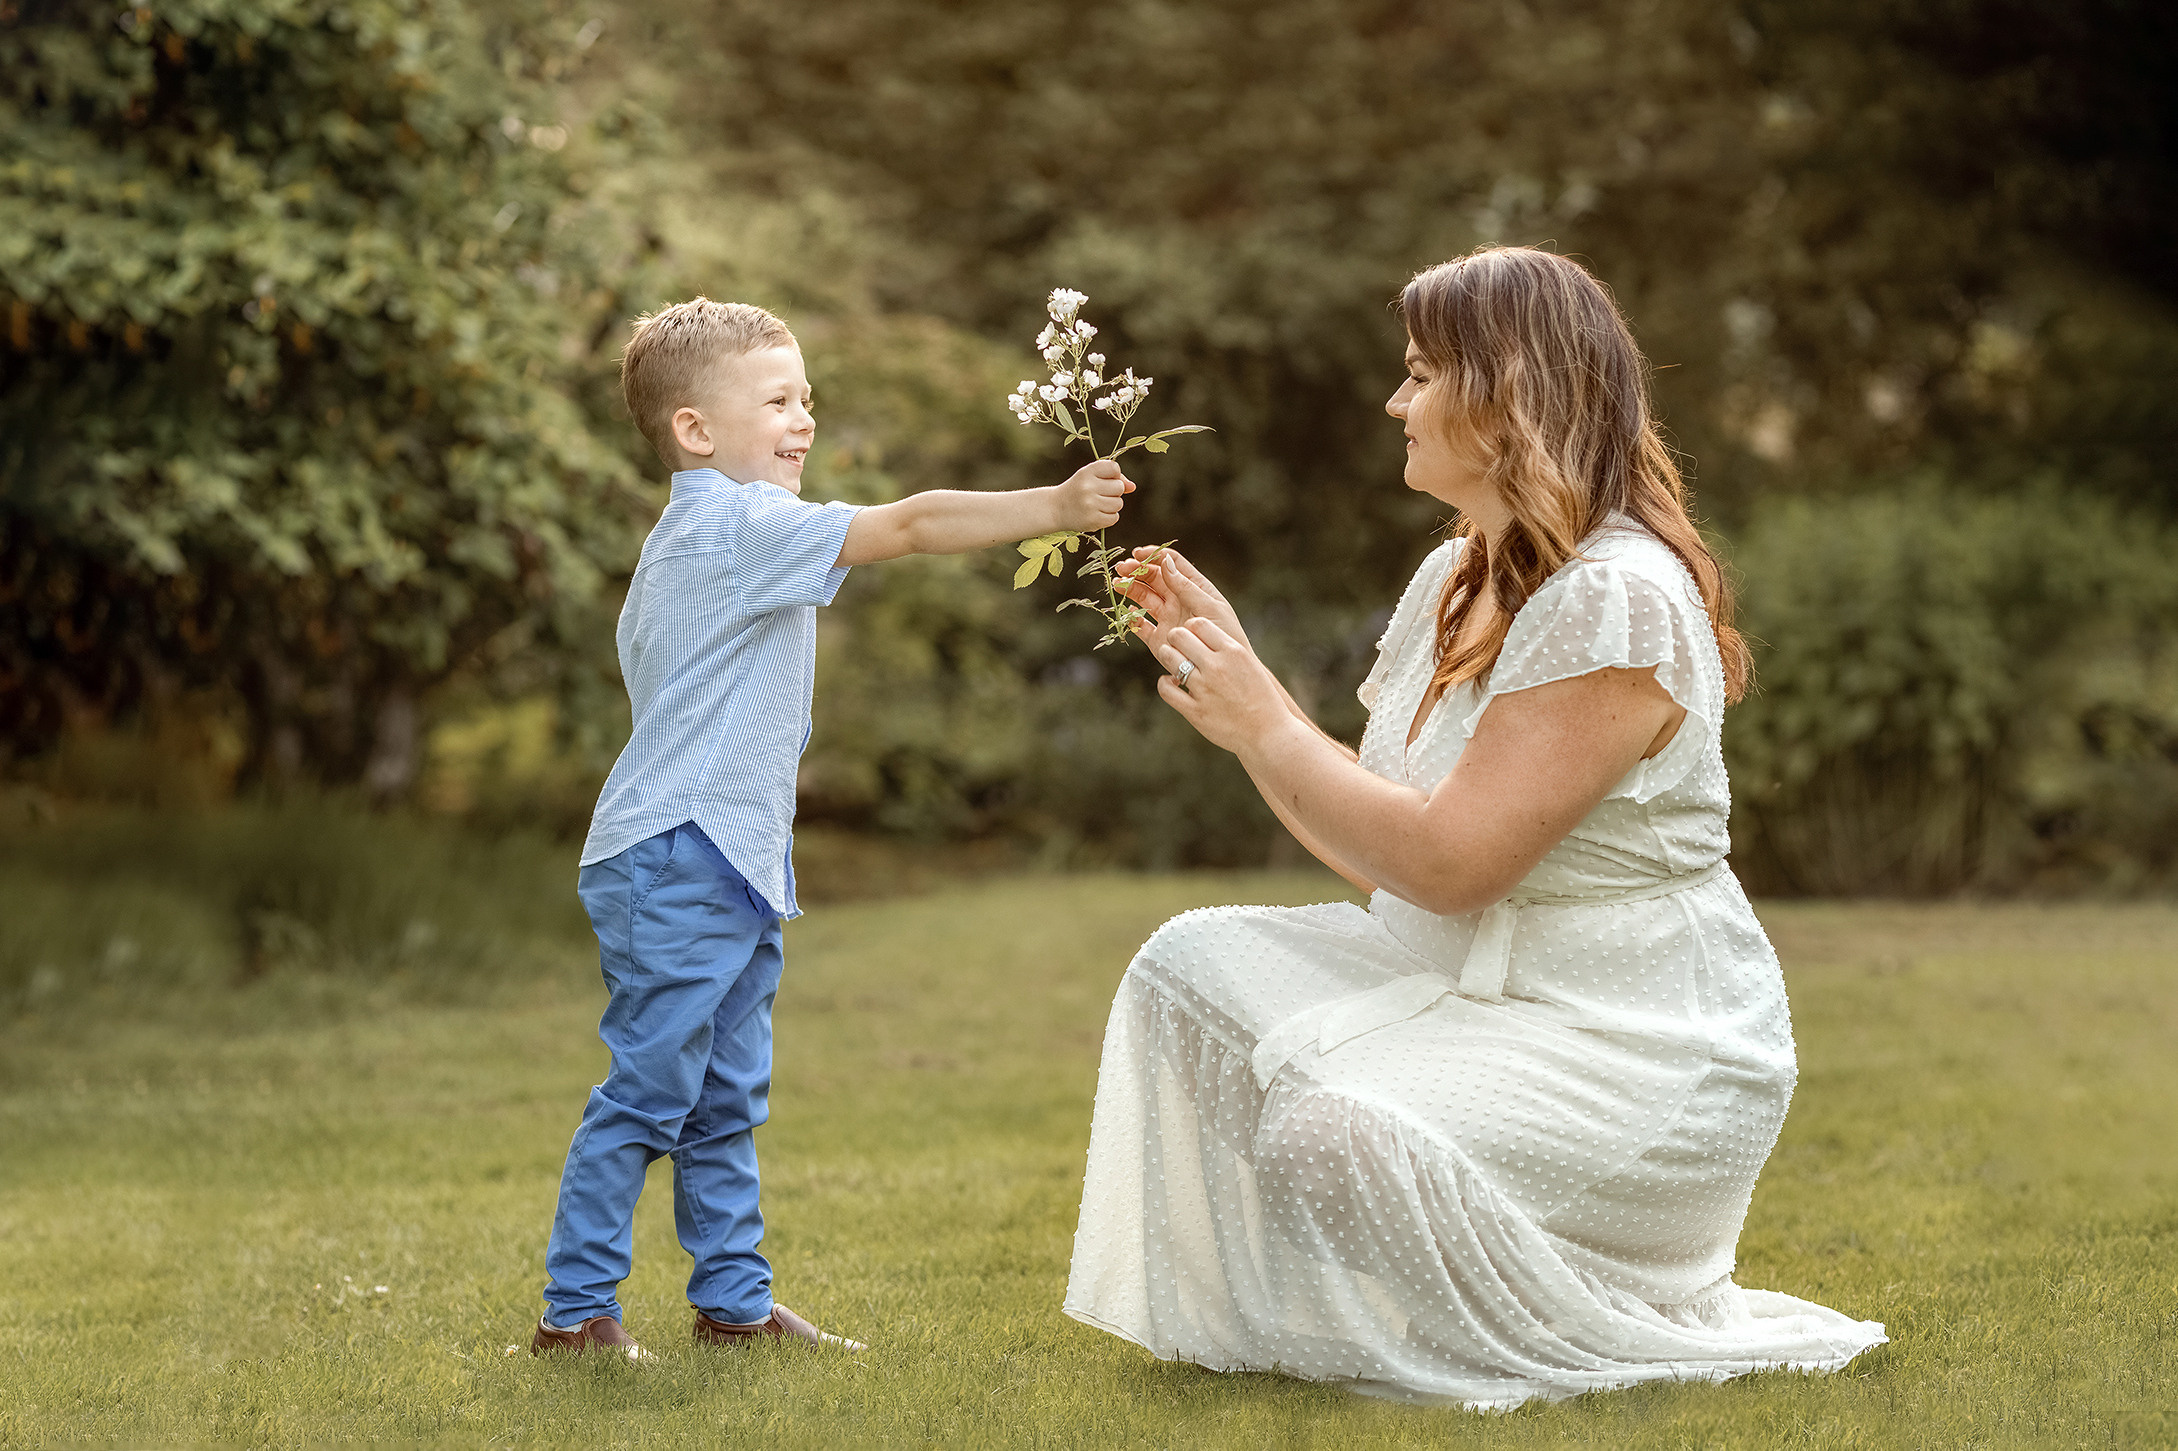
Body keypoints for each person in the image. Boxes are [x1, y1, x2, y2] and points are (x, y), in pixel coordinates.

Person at [1065, 247, 1887, 1406]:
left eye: (1416, 375)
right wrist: (1247, 689)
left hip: (1632, 1043)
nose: (1396, 403)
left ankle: (1560, 1289)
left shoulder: (1617, 595)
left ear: (1505, 395)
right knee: (1185, 968)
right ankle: (1417, 1277)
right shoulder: (1461, 568)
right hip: (1463, 977)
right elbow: (1386, 841)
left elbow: (1452, 864)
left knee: (1328, 1139)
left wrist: (1267, 723)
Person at [534, 298, 1132, 1357]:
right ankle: (575, 1314)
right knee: (650, 1093)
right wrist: (1054, 502)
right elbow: (908, 524)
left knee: (722, 1098)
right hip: (679, 853)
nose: (805, 418)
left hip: (722, 859)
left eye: (807, 396)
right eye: (778, 400)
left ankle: (735, 1306)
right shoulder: (734, 525)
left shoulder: (692, 541)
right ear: (695, 431)